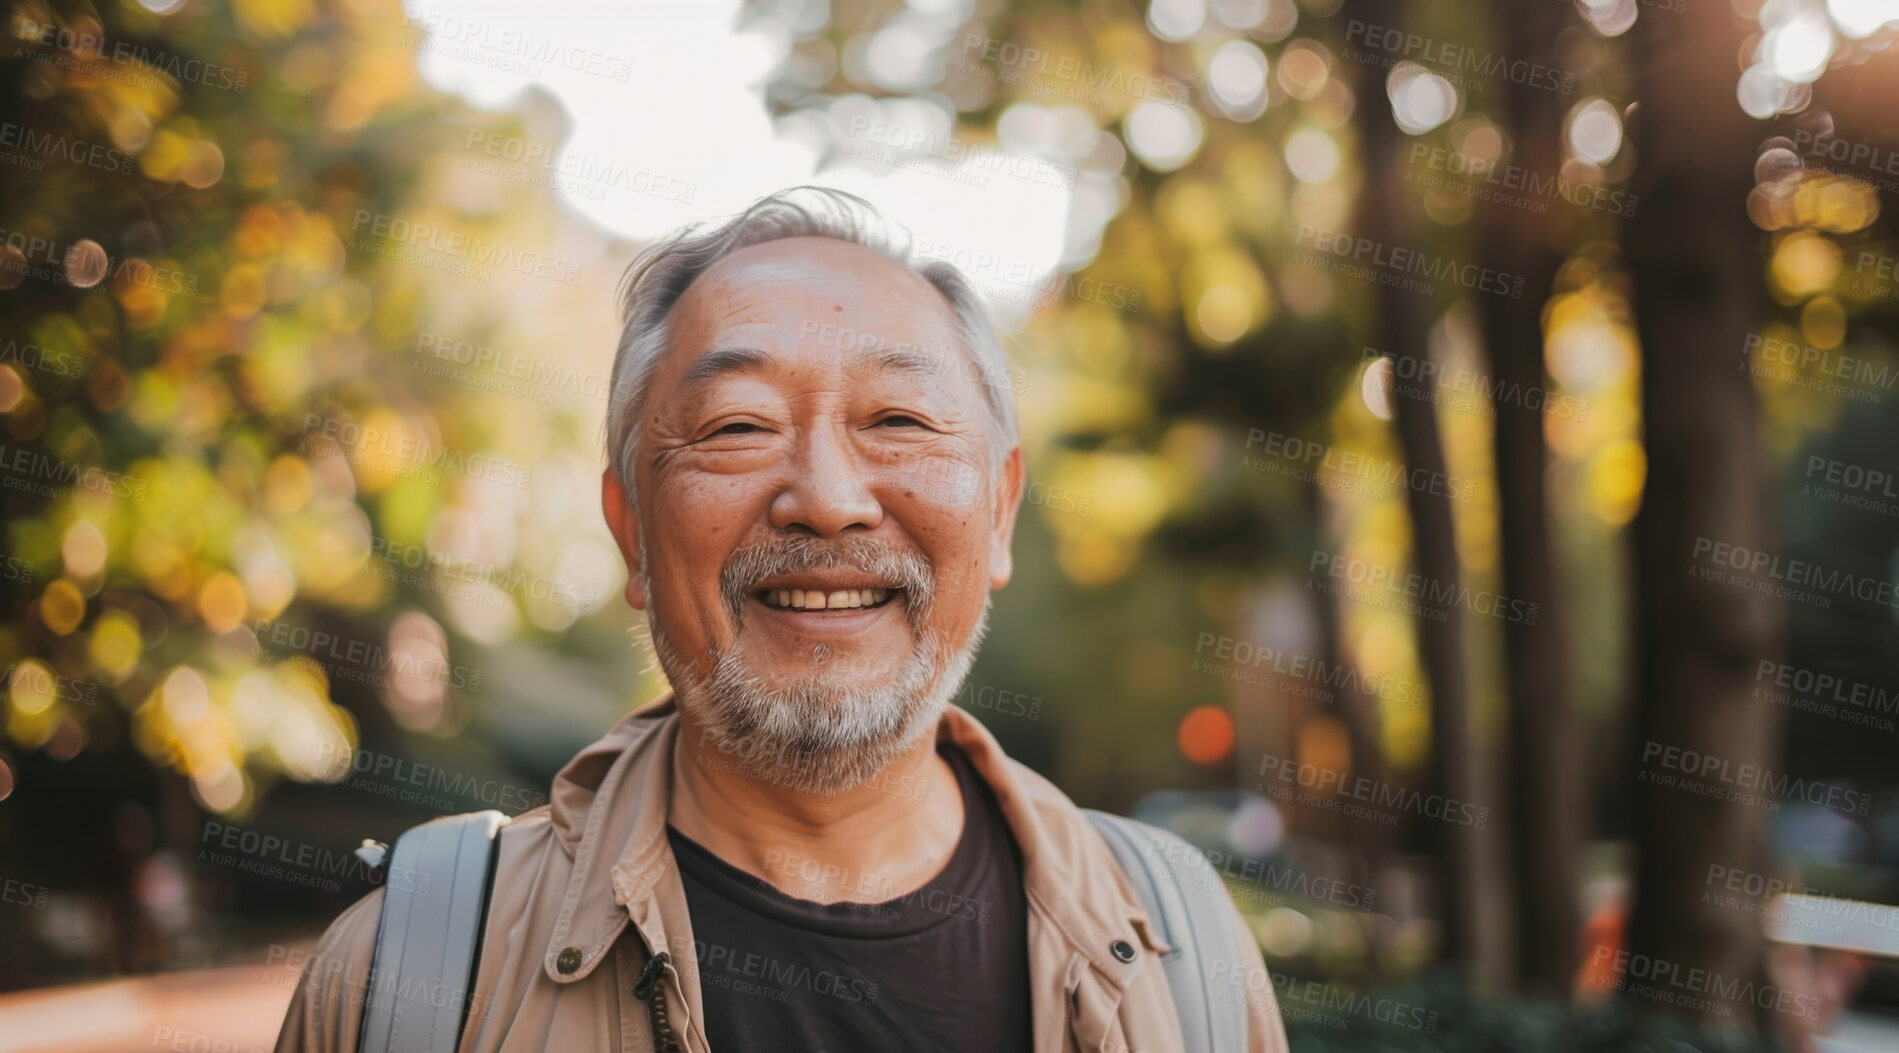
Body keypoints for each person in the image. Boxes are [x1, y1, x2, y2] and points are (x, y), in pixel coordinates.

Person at [276, 187, 1289, 1052]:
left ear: (1000, 510)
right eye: (739, 427)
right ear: (631, 526)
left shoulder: (1185, 959)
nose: (828, 496)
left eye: (898, 418)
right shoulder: (407, 980)